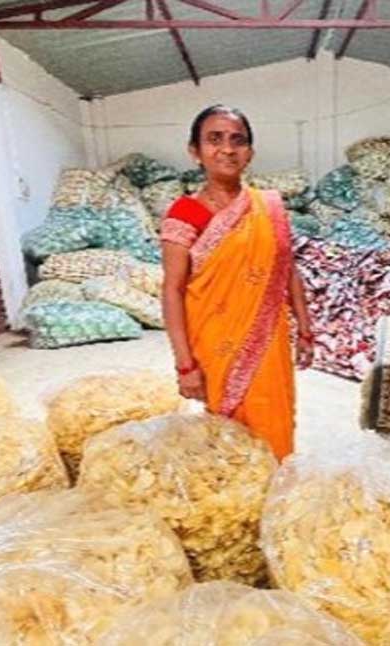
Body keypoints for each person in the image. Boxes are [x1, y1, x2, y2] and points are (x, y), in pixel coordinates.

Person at [160, 105, 314, 460]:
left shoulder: (268, 207)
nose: (227, 149)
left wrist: (305, 327)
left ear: (250, 153)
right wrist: (185, 365)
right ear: (195, 151)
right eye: (214, 139)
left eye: (237, 140)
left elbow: (287, 268)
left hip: (269, 338)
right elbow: (172, 291)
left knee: (275, 423)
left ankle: (276, 480)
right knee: (228, 439)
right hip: (216, 342)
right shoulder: (185, 212)